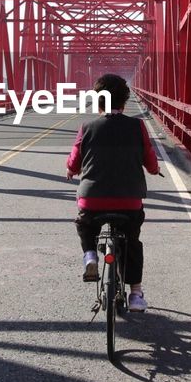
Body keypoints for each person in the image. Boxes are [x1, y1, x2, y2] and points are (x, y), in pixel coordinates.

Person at [65, 73, 161, 312]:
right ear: (124, 101)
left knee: (85, 225)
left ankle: (90, 257)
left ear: (98, 101)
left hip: (92, 200)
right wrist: (154, 169)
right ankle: (136, 294)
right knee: (132, 241)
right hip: (128, 202)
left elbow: (75, 161)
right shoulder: (137, 126)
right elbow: (149, 160)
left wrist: (70, 170)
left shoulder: (86, 127)